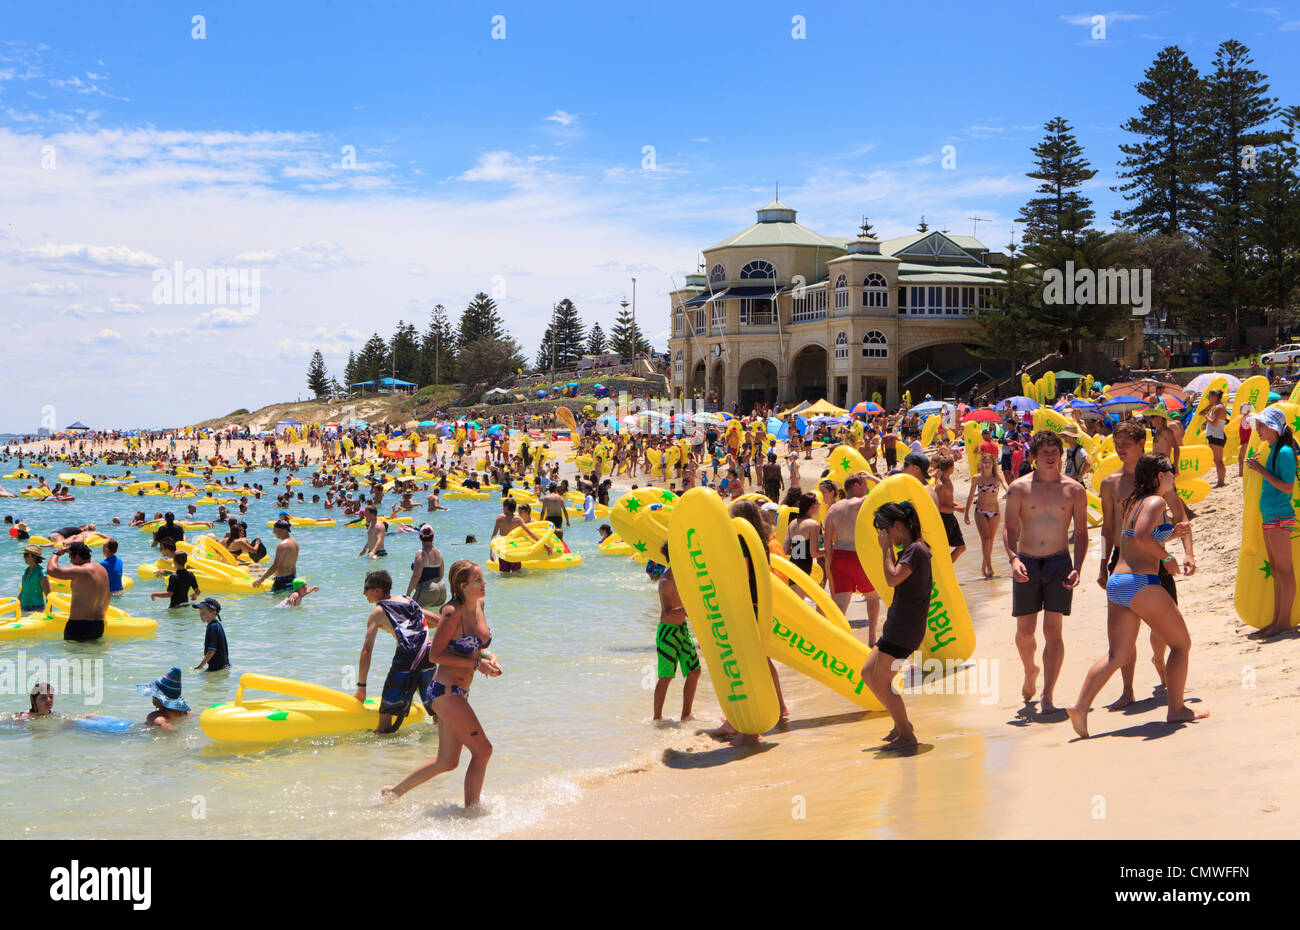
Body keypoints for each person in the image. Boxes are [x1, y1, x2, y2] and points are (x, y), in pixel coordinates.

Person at [1068, 453, 1208, 737]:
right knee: (1181, 645)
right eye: (1170, 470)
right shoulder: (1156, 501)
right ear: (1159, 476)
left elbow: (1136, 537)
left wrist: (1170, 533)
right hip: (1141, 582)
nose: (1174, 474)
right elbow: (1145, 538)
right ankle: (1177, 708)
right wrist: (1167, 557)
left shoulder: (1134, 501)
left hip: (1119, 582)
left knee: (1117, 655)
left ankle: (1080, 706)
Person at [381, 561, 502, 805]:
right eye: (478, 580)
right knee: (483, 750)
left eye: (483, 579)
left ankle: (393, 792)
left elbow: (476, 647)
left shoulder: (479, 604)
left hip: (459, 692)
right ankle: (471, 813)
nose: (484, 583)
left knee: (447, 762)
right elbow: (435, 655)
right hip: (445, 692)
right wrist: (478, 665)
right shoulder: (451, 612)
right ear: (463, 585)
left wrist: (489, 657)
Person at [1095, 421, 1194, 707]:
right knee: (1126, 631)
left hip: (1156, 558)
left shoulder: (1159, 481)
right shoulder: (1110, 483)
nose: (1120, 448)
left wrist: (1188, 554)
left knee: (1162, 628)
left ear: (1141, 444)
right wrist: (1103, 564)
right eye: (1117, 442)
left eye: (1126, 442)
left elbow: (1181, 518)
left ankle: (1160, 660)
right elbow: (1107, 527)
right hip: (1123, 560)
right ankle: (1127, 692)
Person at [1003, 430, 1089, 712]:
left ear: (1061, 456)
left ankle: (1048, 695)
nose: (1050, 457)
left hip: (1059, 562)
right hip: (1027, 560)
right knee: (1025, 631)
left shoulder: (1074, 490)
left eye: (1055, 452)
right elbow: (1009, 528)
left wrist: (1078, 567)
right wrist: (1014, 558)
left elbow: (1082, 532)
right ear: (1034, 457)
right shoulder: (1019, 488)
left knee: (1053, 632)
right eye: (1044, 453)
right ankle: (1030, 671)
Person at [861, 501, 932, 750]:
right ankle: (900, 724)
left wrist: (885, 550)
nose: (885, 536)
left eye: (885, 530)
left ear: (898, 525)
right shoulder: (913, 550)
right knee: (868, 673)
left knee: (881, 681)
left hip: (905, 628)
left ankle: (907, 735)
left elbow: (892, 579)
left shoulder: (914, 550)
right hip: (899, 625)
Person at [354, 569, 440, 733]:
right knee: (436, 708)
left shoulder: (378, 612)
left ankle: (385, 747)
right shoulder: (407, 600)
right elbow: (436, 621)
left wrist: (361, 688)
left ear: (377, 590)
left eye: (366, 588)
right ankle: (438, 743)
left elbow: (366, 651)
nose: (364, 593)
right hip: (426, 652)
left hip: (406, 657)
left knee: (387, 711)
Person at [1247, 406, 1298, 637]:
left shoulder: (1285, 451)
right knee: (1278, 571)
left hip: (1279, 516)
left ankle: (1284, 622)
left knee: (1284, 571)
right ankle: (1278, 621)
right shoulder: (1276, 449)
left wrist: (1260, 470)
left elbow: (1287, 487)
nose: (1258, 430)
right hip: (1272, 516)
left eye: (1261, 425)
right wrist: (1254, 467)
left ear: (1273, 427)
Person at [823, 474, 881, 641]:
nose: (866, 488)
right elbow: (886, 488)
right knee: (872, 597)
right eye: (864, 485)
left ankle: (836, 641)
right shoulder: (862, 502)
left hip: (839, 556)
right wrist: (871, 477)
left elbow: (827, 539)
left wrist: (831, 561)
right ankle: (871, 639)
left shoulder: (833, 508)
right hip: (858, 556)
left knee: (840, 606)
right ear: (855, 485)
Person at [653, 541, 700, 721]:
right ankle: (657, 719)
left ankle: (686, 715)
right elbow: (666, 613)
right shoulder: (666, 581)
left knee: (695, 671)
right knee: (666, 676)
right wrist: (689, 608)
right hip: (667, 632)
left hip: (681, 629)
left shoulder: (683, 577)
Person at [46, 542, 109, 641]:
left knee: (74, 655)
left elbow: (51, 570)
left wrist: (56, 553)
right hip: (98, 624)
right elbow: (107, 595)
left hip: (79, 625)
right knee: (94, 655)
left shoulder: (81, 570)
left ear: (78, 556)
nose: (71, 561)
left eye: (70, 557)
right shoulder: (102, 570)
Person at [963, 452, 1006, 579]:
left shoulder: (998, 476)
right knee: (985, 539)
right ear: (981, 464)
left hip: (995, 512)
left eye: (989, 463)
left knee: (991, 541)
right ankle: (990, 567)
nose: (987, 465)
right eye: (985, 462)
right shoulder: (976, 478)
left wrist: (1013, 492)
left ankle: (983, 567)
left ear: (993, 464)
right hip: (980, 511)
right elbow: (970, 496)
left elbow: (1006, 486)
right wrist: (966, 513)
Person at [929, 451, 965, 563]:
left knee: (961, 547)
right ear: (951, 467)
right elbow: (938, 507)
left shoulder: (947, 480)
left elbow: (947, 501)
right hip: (944, 519)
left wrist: (956, 505)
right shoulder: (940, 485)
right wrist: (956, 508)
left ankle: (946, 567)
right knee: (945, 549)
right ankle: (944, 569)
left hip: (950, 517)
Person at [783, 492, 822, 581]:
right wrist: (830, 548)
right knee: (798, 594)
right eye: (818, 504)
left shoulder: (792, 523)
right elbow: (814, 553)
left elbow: (785, 550)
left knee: (793, 594)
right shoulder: (813, 525)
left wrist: (799, 551)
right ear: (812, 506)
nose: (819, 506)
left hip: (792, 566)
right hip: (804, 568)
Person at [407, 524, 447, 609]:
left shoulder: (421, 553)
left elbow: (416, 575)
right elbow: (441, 574)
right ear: (433, 537)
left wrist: (408, 594)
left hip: (428, 588)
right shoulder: (439, 552)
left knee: (411, 611)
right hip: (441, 588)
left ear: (420, 537)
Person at [253, 521, 299, 593]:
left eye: (274, 530)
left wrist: (261, 579)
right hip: (292, 577)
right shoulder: (294, 542)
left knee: (274, 602)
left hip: (282, 580)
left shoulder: (282, 545)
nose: (273, 532)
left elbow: (275, 565)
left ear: (281, 530)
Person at [192, 597, 230, 672]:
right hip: (223, 666)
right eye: (200, 613)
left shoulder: (212, 627)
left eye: (203, 613)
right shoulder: (217, 625)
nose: (200, 615)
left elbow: (212, 650)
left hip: (216, 668)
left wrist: (201, 666)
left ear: (214, 613)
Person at [1201, 389, 1229, 488]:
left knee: (1218, 460)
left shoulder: (1218, 407)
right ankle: (1221, 480)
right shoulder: (1218, 407)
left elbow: (1214, 422)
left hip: (1217, 435)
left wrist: (1206, 416)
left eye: (1210, 396)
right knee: (1218, 460)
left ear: (1215, 397)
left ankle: (1221, 481)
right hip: (1216, 435)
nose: (1208, 399)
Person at [18, 544, 50, 615]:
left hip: (36, 608)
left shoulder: (41, 573)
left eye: (26, 555)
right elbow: (23, 590)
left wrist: (48, 614)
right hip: (23, 606)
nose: (23, 557)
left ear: (34, 556)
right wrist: (17, 605)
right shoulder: (26, 570)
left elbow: (48, 595)